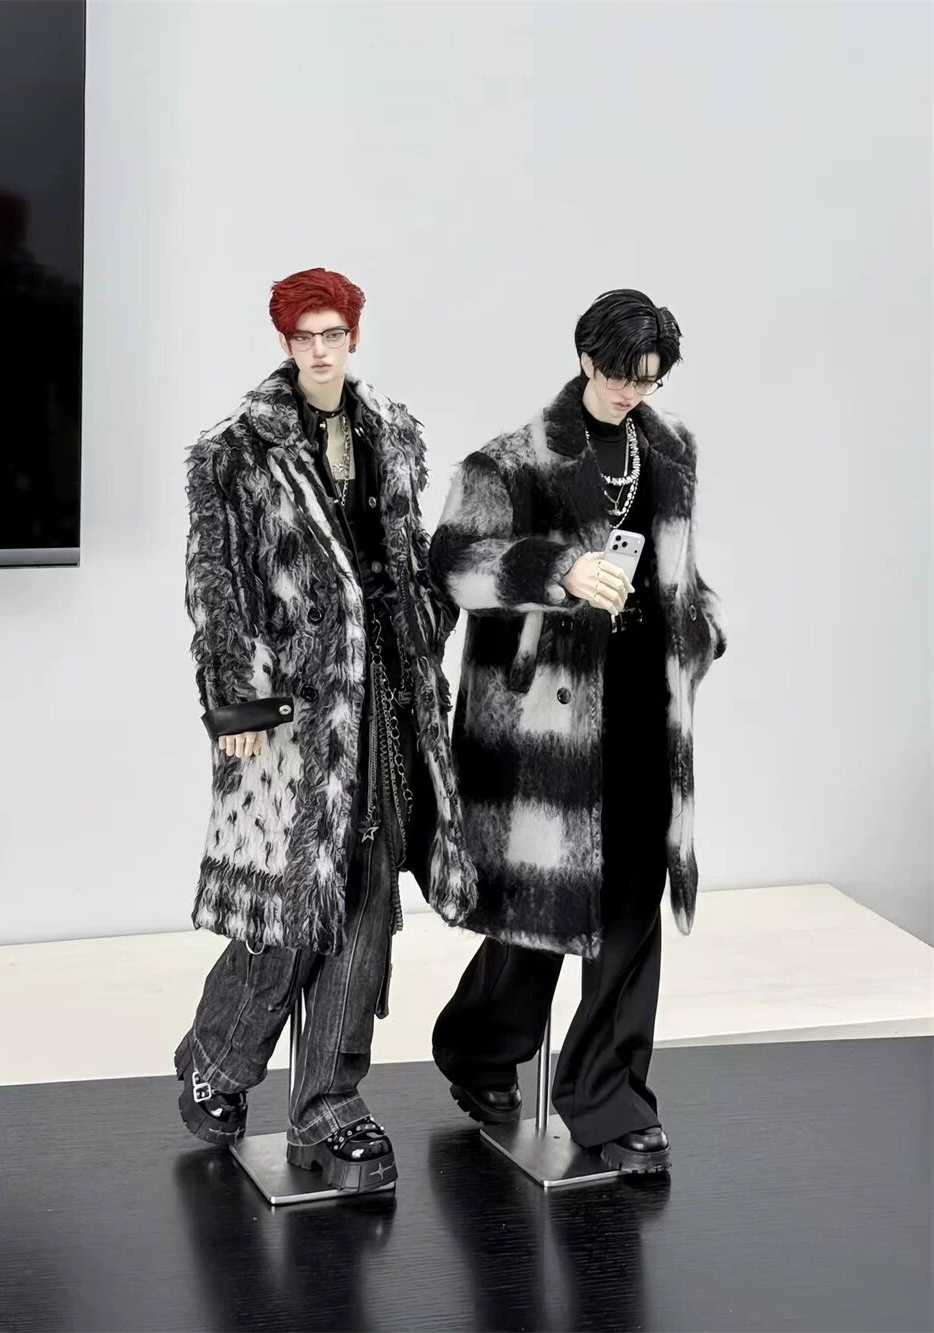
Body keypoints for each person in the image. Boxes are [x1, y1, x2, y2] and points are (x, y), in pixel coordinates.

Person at [175, 267, 475, 1193]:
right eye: (304, 335)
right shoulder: (234, 450)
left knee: (370, 889)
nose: (319, 349)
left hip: (385, 692)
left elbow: (407, 555)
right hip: (294, 706)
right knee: (291, 899)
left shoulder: (393, 433)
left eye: (332, 333)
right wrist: (235, 700)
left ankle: (328, 1103)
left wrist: (427, 619)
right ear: (284, 342)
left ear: (353, 337)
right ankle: (217, 1057)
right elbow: (215, 581)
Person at [428, 289, 727, 1173]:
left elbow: (679, 571)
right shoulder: (510, 461)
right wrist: (560, 570)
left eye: (650, 379)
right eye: (621, 374)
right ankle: (480, 1046)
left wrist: (702, 626)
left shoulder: (669, 451)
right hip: (543, 718)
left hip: (641, 701)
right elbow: (453, 564)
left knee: (631, 900)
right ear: (587, 358)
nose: (632, 392)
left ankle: (608, 1096)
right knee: (539, 906)